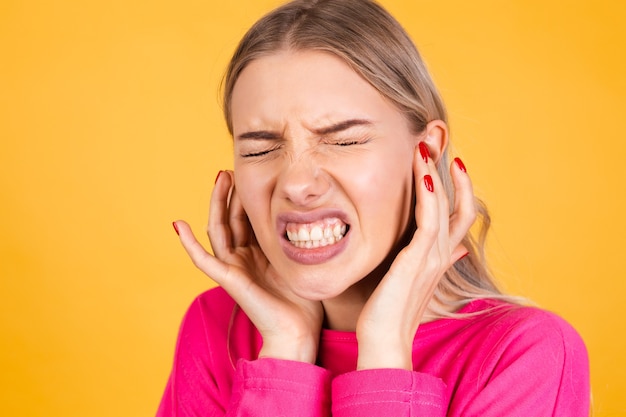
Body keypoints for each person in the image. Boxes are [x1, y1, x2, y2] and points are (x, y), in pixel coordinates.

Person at [157, 0, 590, 415]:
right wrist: (285, 351)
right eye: (260, 150)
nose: (296, 184)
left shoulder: (523, 355)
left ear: (426, 150)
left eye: (344, 141)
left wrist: (384, 353)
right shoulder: (217, 328)